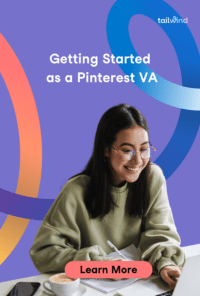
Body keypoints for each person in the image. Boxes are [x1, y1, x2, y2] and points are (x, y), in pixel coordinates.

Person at [30, 104, 185, 289]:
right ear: (106, 149)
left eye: (144, 149)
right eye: (127, 150)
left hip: (142, 285)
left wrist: (166, 263)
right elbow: (43, 253)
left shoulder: (153, 178)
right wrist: (101, 266)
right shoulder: (76, 191)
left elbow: (161, 235)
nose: (138, 161)